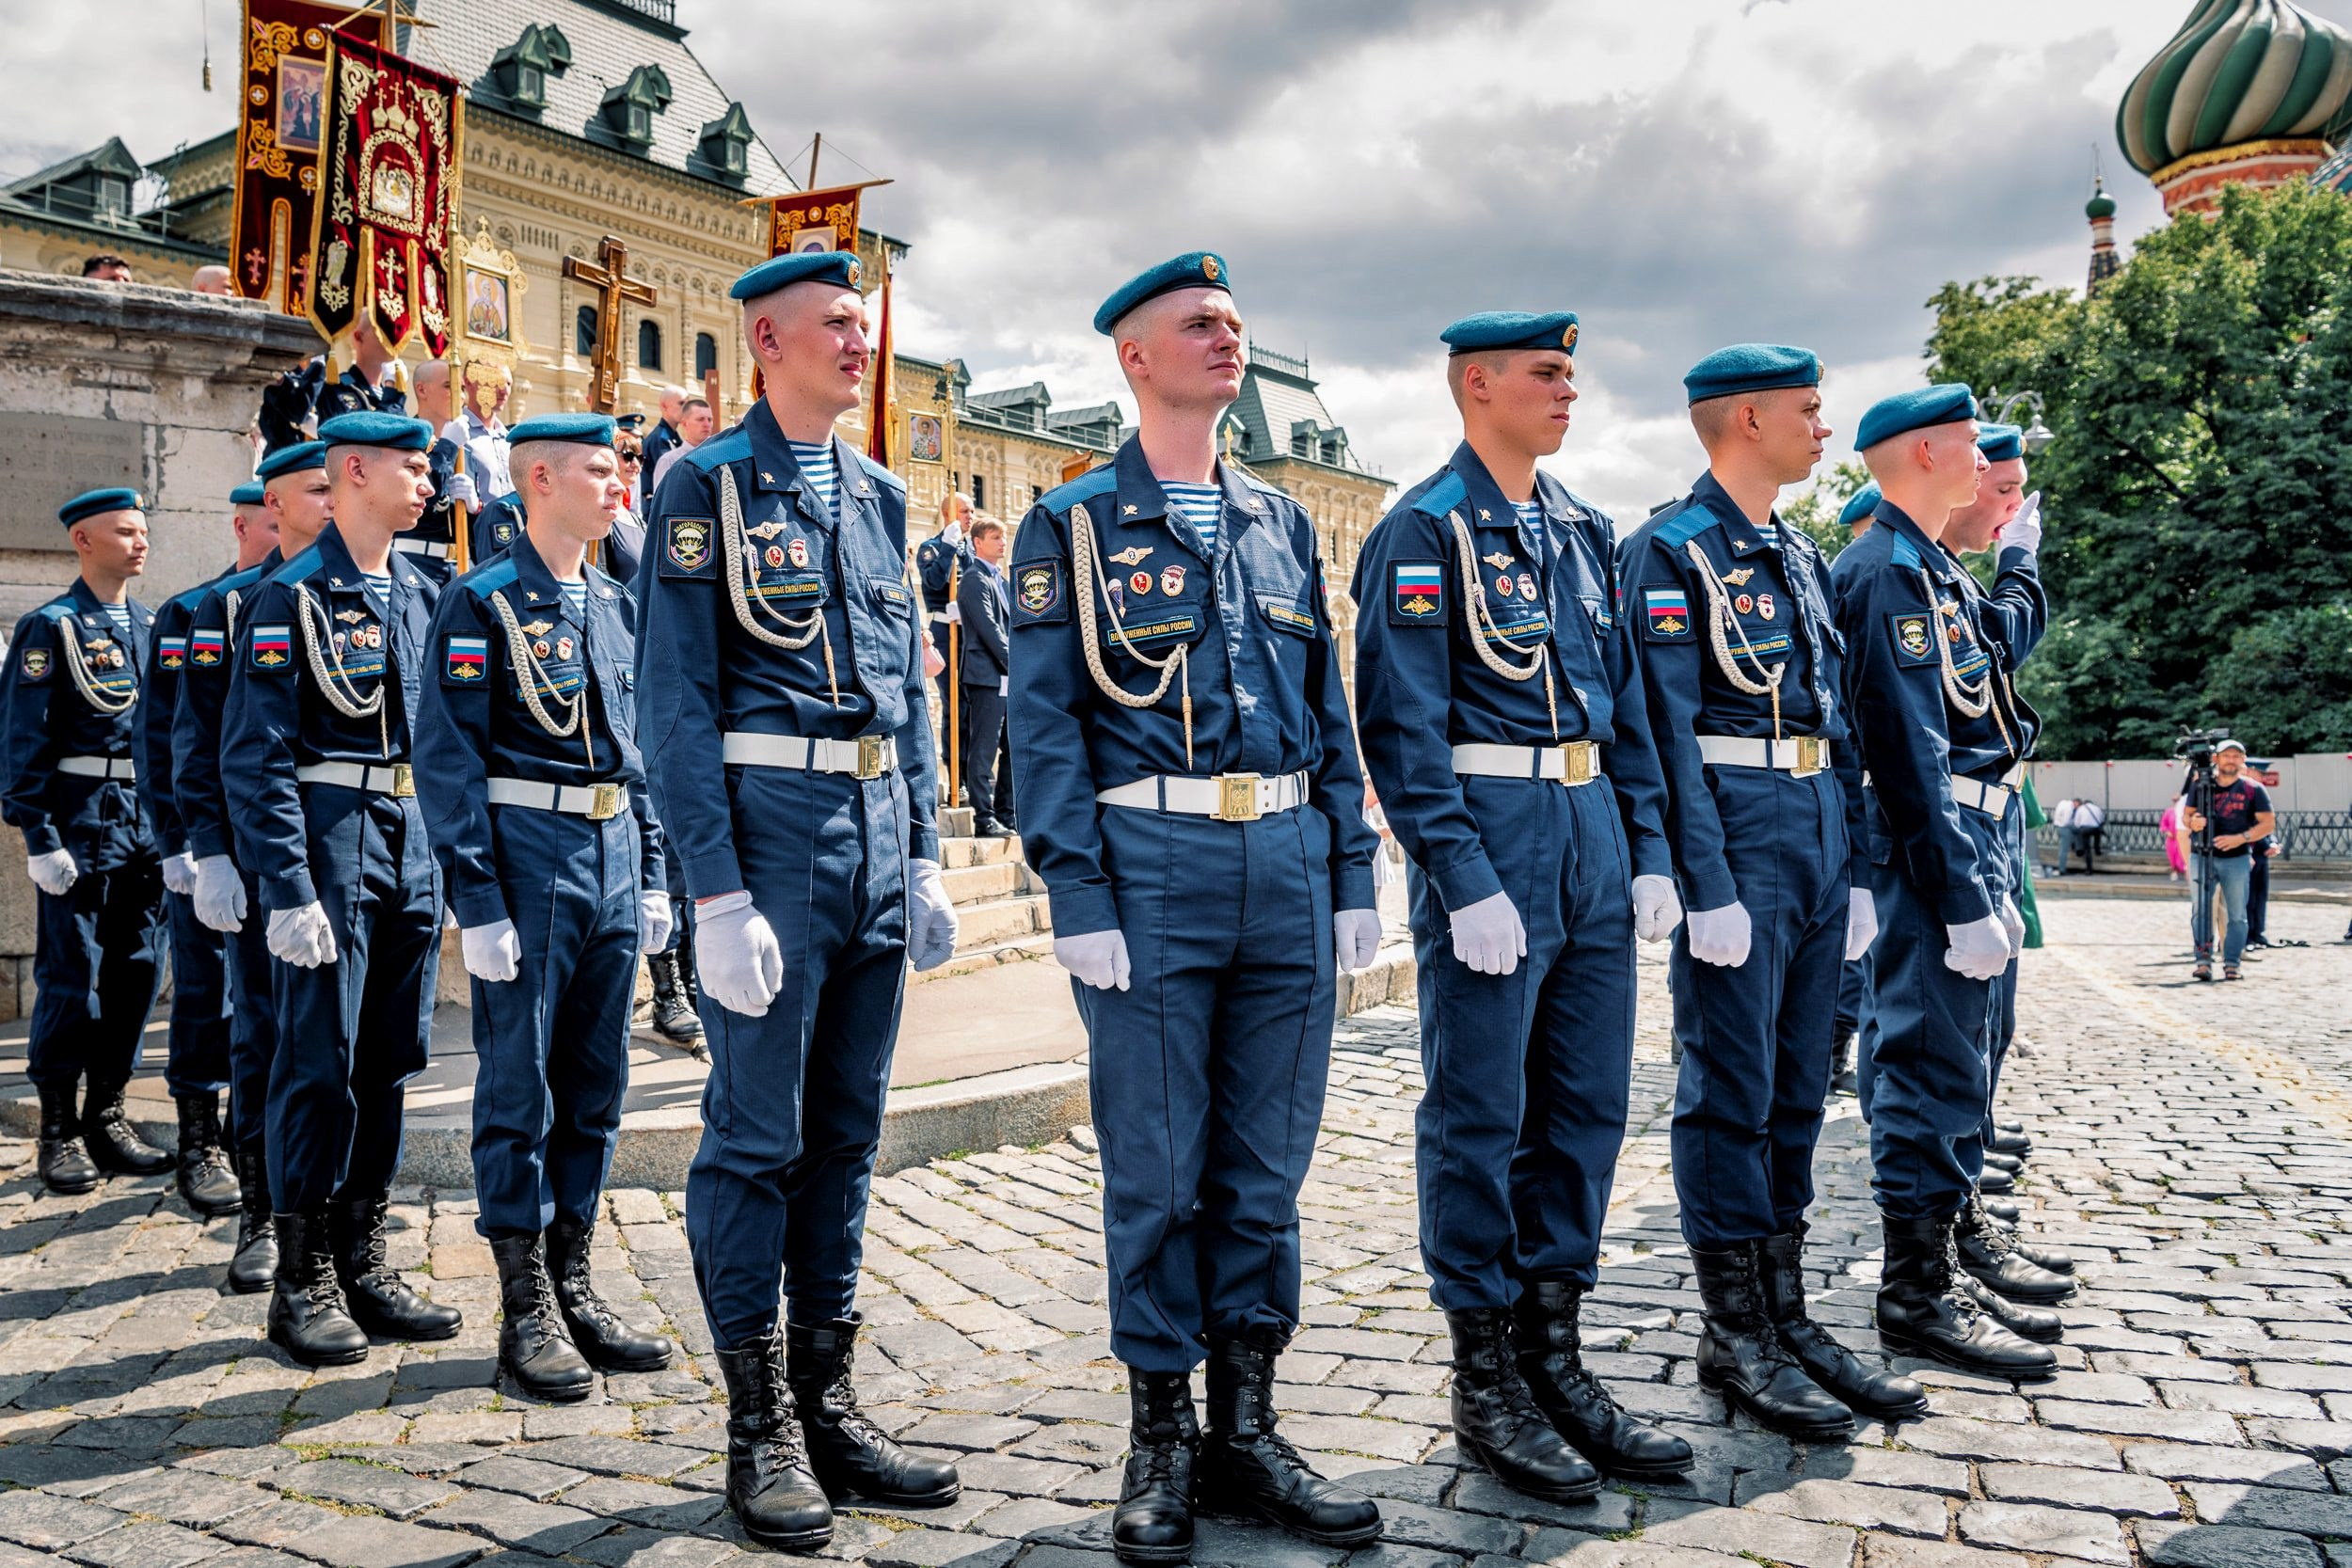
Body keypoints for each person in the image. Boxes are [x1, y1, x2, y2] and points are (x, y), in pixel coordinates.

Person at [1009, 252, 1385, 1564]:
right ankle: (1161, 1434)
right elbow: (1044, 722)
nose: (1228, 336)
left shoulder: (1279, 520)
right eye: (1199, 323)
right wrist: (1074, 887)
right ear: (1134, 356)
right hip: (1151, 861)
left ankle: (1249, 1426)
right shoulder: (1071, 526)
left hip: (1283, 854)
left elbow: (1328, 710)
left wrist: (1352, 868)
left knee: (1264, 1169)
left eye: (1233, 320)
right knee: (1159, 1169)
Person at [637, 249, 961, 1550]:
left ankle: (828, 1400)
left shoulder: (880, 493)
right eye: (834, 321)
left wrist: (925, 848)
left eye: (862, 321)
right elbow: (674, 701)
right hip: (769, 837)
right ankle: (757, 1422)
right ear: (766, 341)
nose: (858, 339)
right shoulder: (704, 485)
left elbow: (910, 689)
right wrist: (714, 891)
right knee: (754, 1136)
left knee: (846, 1132)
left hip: (875, 834)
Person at [1351, 311, 1690, 1500]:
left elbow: (1628, 710)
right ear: (1475, 384)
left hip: (1590, 832)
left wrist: (1648, 850)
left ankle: (1556, 1357)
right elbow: (1401, 725)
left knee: (1587, 1108)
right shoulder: (1423, 529)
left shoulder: (1585, 530)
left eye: (1571, 373)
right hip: (1493, 834)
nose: (1567, 390)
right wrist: (1460, 875)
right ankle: (1485, 1373)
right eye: (1545, 372)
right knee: (1481, 1115)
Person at [1617, 345, 1920, 1441]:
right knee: (1729, 1091)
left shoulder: (1796, 552)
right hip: (1737, 835)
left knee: (1799, 1086)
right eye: (1808, 409)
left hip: (1814, 830)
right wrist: (1699, 879)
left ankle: (1787, 1313)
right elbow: (1660, 729)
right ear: (1745, 418)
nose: (1824, 427)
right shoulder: (1669, 550)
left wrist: (1859, 866)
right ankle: (1734, 1325)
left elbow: (1842, 720)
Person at [416, 413, 675, 1401]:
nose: (619, 487)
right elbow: (449, 759)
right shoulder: (481, 601)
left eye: (620, 471)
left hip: (610, 853)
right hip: (528, 859)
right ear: (538, 480)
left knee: (596, 1086)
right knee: (518, 1089)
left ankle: (573, 1278)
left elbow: (638, 749)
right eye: (600, 471)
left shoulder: (614, 602)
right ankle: (523, 1303)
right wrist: (477, 899)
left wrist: (652, 871)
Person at [1829, 384, 2059, 1382]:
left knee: (1960, 1060)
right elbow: (1907, 754)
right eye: (1971, 446)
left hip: (1967, 830)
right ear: (1925, 453)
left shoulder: (1931, 569)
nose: (1988, 469)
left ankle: (1951, 1249)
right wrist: (1963, 890)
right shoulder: (1883, 571)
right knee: (1927, 1062)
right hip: (1932, 847)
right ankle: (1916, 1290)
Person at [221, 412, 460, 1367]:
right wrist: (285, 885)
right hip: (330, 844)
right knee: (317, 1061)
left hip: (410, 842)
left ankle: (364, 1258)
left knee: (389, 1059)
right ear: (354, 470)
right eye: (413, 468)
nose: (429, 484)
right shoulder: (290, 597)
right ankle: (301, 1277)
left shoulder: (424, 592)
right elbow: (256, 753)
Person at [178, 439, 329, 1292]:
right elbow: (199, 737)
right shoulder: (232, 605)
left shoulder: (358, 590)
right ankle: (261, 1216)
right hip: (258, 857)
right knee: (264, 1039)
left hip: (342, 856)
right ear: (274, 505)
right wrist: (208, 850)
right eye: (315, 488)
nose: (332, 500)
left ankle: (333, 1222)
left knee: (334, 1050)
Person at [1, 488, 171, 1196]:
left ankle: (107, 1114)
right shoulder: (52, 627)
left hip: (144, 825)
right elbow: (21, 739)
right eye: (124, 531)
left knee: (137, 974)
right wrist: (38, 835)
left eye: (142, 531)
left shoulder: (152, 625)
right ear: (83, 540)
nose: (140, 542)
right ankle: (58, 1128)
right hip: (79, 824)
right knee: (72, 981)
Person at [136, 483, 275, 1221]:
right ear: (245, 525)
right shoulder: (195, 611)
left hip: (269, 839)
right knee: (203, 990)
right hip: (207, 836)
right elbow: (164, 738)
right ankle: (198, 1137)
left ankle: (248, 1140)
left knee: (261, 1008)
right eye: (274, 519)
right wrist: (177, 841)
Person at [2181, 739, 2273, 981]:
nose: (2231, 760)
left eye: (2236, 756)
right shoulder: (2201, 786)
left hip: (2236, 858)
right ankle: (2203, 962)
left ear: (2243, 760)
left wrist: (2240, 838)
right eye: (2226, 755)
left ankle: (2232, 963)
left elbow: (2267, 824)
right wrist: (2194, 822)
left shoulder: (2253, 789)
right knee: (2201, 911)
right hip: (2202, 855)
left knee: (2237, 914)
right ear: (2216, 759)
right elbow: (2186, 817)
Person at [955, 516, 1014, 835]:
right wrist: (1015, 663)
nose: (1003, 543)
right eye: (995, 537)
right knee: (984, 749)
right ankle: (983, 817)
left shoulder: (1003, 581)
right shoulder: (974, 579)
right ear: (978, 542)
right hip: (986, 676)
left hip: (1006, 676)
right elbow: (989, 629)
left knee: (1012, 748)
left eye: (1003, 537)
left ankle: (1007, 813)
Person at [404, 360, 477, 582]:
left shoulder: (465, 449)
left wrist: (475, 507)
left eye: (462, 388)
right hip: (416, 563)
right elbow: (420, 494)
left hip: (461, 567)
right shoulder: (404, 442)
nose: (460, 396)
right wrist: (447, 446)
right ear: (422, 389)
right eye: (449, 386)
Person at [916, 493, 977, 734]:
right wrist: (948, 548)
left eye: (972, 511)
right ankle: (954, 756)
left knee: (975, 702)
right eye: (964, 511)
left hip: (972, 630)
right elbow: (934, 581)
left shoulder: (972, 548)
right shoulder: (930, 547)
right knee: (954, 702)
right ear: (947, 514)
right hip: (944, 630)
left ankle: (971, 758)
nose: (970, 516)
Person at [446, 363, 515, 505]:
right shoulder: (454, 433)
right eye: (496, 381)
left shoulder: (510, 440)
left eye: (508, 383)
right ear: (469, 381)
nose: (505, 390)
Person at [2245, 757, 2281, 947]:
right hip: (2248, 852)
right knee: (2248, 897)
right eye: (2259, 773)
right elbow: (2248, 826)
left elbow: (2267, 825)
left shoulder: (2259, 793)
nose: (2262, 777)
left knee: (2260, 895)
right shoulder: (2244, 793)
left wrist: (2272, 842)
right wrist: (2265, 845)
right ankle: (2247, 935)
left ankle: (2258, 932)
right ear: (2249, 771)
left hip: (2261, 855)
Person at [648, 396, 716, 495]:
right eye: (700, 419)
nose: (707, 424)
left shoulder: (718, 458)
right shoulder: (669, 461)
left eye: (710, 419)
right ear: (684, 424)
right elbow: (661, 498)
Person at [640, 386, 687, 479]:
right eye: (681, 403)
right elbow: (668, 475)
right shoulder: (660, 439)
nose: (686, 409)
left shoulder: (673, 437)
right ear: (664, 406)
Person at [2160, 795, 2188, 881]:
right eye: (2175, 801)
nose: (2176, 802)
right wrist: (2167, 832)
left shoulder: (2184, 811)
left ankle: (2186, 873)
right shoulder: (2169, 811)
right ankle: (2174, 871)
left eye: (2178, 800)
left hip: (2182, 838)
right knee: (2172, 857)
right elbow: (2163, 824)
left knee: (2183, 856)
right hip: (2171, 840)